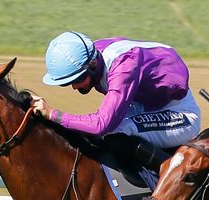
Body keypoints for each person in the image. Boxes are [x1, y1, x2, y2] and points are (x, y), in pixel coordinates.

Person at [30, 31, 200, 170]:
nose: (74, 87)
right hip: (145, 106)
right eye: (67, 83)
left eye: (77, 79)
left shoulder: (123, 67)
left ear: (93, 65)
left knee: (116, 132)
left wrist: (53, 114)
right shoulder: (92, 54)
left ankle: (171, 187)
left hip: (180, 114)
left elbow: (100, 124)